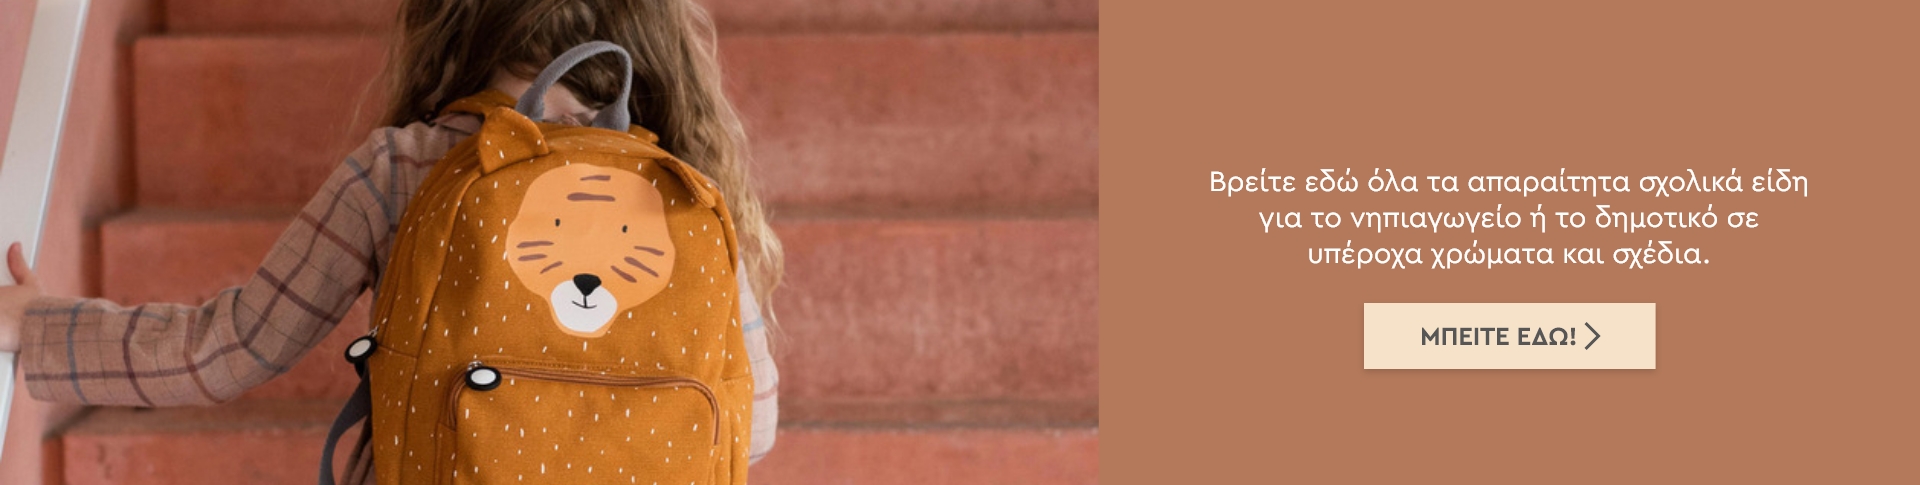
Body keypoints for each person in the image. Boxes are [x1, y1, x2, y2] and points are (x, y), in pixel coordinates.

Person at [0, 1, 781, 483]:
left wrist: (35, 325)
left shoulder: (403, 165)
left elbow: (224, 351)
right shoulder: (678, 192)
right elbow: (756, 422)